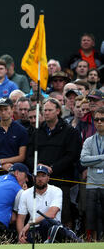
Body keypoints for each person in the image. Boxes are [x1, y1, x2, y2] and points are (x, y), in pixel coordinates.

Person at [26, 98, 82, 228]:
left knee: (65, 214)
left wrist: (52, 168)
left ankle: (67, 239)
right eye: (45, 110)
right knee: (40, 212)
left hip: (61, 180)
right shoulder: (37, 132)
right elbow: (29, 155)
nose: (46, 113)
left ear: (58, 111)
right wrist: (40, 167)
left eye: (50, 110)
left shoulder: (69, 131)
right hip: (40, 179)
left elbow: (72, 155)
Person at [17, 165, 63, 243]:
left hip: (53, 228)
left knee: (46, 222)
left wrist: (30, 224)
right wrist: (21, 235)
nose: (40, 179)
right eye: (37, 176)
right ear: (33, 178)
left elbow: (51, 214)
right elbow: (21, 218)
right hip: (34, 230)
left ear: (48, 178)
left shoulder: (56, 191)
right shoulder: (25, 194)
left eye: (43, 176)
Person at [0, 98, 28, 174]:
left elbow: (21, 157)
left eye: (6, 109)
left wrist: (0, 161)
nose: (3, 112)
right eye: (0, 110)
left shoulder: (21, 130)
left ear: (12, 109)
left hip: (16, 171)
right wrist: (0, 165)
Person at [80, 106, 104, 241]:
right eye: (96, 120)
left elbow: (88, 160)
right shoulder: (89, 140)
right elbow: (83, 160)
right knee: (91, 218)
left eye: (102, 119)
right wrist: (102, 157)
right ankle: (92, 242)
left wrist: (93, 161)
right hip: (92, 184)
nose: (99, 122)